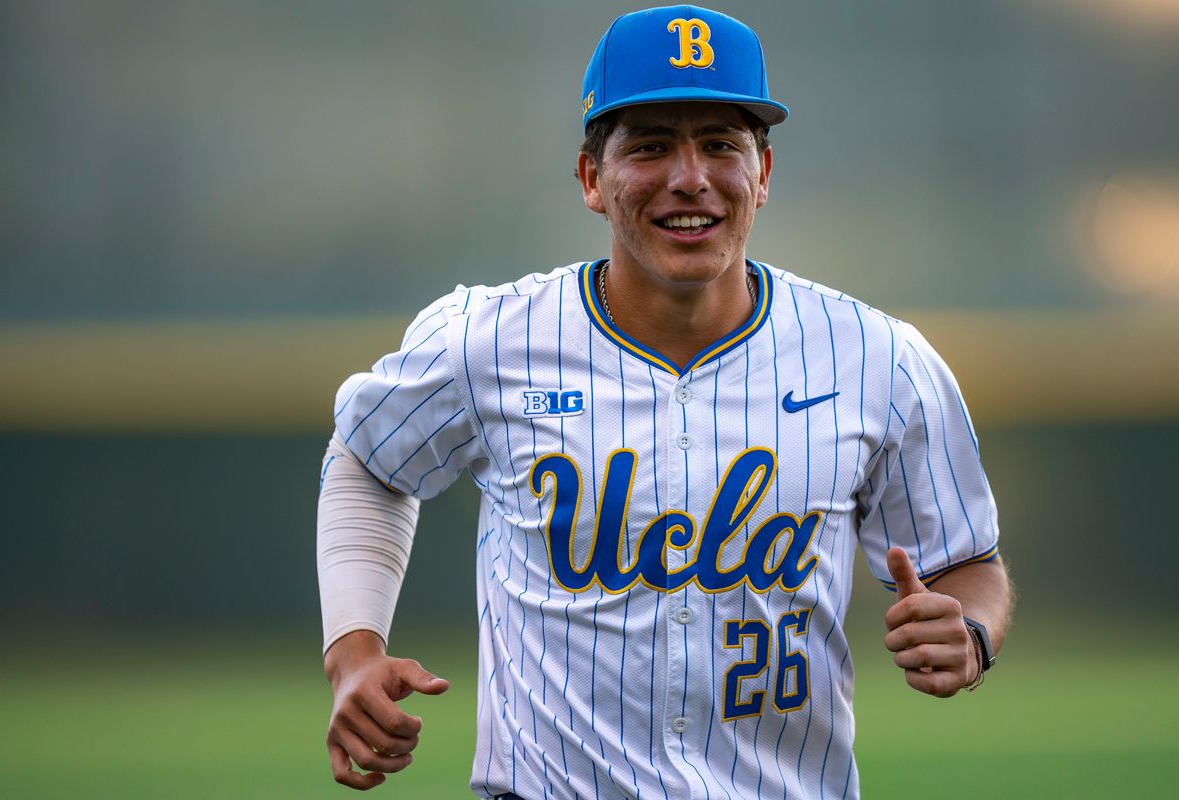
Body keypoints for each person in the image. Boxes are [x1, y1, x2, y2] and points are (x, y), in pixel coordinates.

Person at [316, 6, 1012, 798]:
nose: (691, 177)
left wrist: (971, 632)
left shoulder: (878, 360)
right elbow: (369, 460)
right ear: (590, 178)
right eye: (650, 145)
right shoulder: (489, 339)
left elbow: (966, 565)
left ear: (765, 174)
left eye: (721, 144)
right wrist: (354, 653)